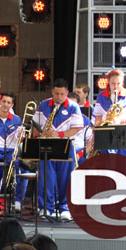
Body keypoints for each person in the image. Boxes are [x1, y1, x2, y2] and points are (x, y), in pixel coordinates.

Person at [32, 78, 83, 220]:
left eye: (62, 94)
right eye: (56, 94)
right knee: (46, 178)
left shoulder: (73, 106)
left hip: (65, 145)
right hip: (47, 145)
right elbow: (36, 125)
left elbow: (76, 129)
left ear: (67, 92)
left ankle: (64, 207)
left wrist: (59, 134)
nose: (59, 97)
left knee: (65, 179)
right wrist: (39, 137)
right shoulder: (43, 105)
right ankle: (45, 208)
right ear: (52, 92)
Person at [93, 68, 126, 163]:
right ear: (108, 82)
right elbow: (98, 119)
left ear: (123, 82)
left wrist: (121, 121)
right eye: (113, 83)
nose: (116, 86)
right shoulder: (102, 96)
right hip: (108, 138)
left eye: (119, 83)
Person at [0, 93, 26, 212]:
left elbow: (20, 139)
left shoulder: (17, 119)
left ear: (12, 105)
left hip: (10, 151)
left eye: (8, 102)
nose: (5, 105)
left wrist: (22, 135)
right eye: (3, 101)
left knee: (22, 168)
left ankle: (18, 200)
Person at [67, 92, 93, 166]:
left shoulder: (86, 121)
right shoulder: (58, 119)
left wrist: (79, 154)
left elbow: (91, 143)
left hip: (81, 155)